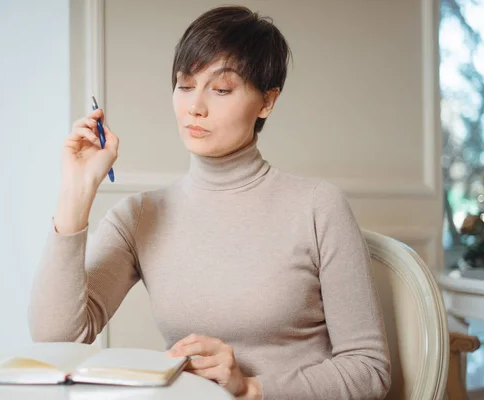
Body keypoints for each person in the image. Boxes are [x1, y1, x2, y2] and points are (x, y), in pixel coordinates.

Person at [29, 5, 391, 400]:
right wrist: (76, 191)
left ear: (267, 102)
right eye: (185, 85)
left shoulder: (319, 207)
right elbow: (56, 337)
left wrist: (251, 388)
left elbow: (369, 371)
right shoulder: (139, 217)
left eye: (220, 89)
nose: (195, 107)